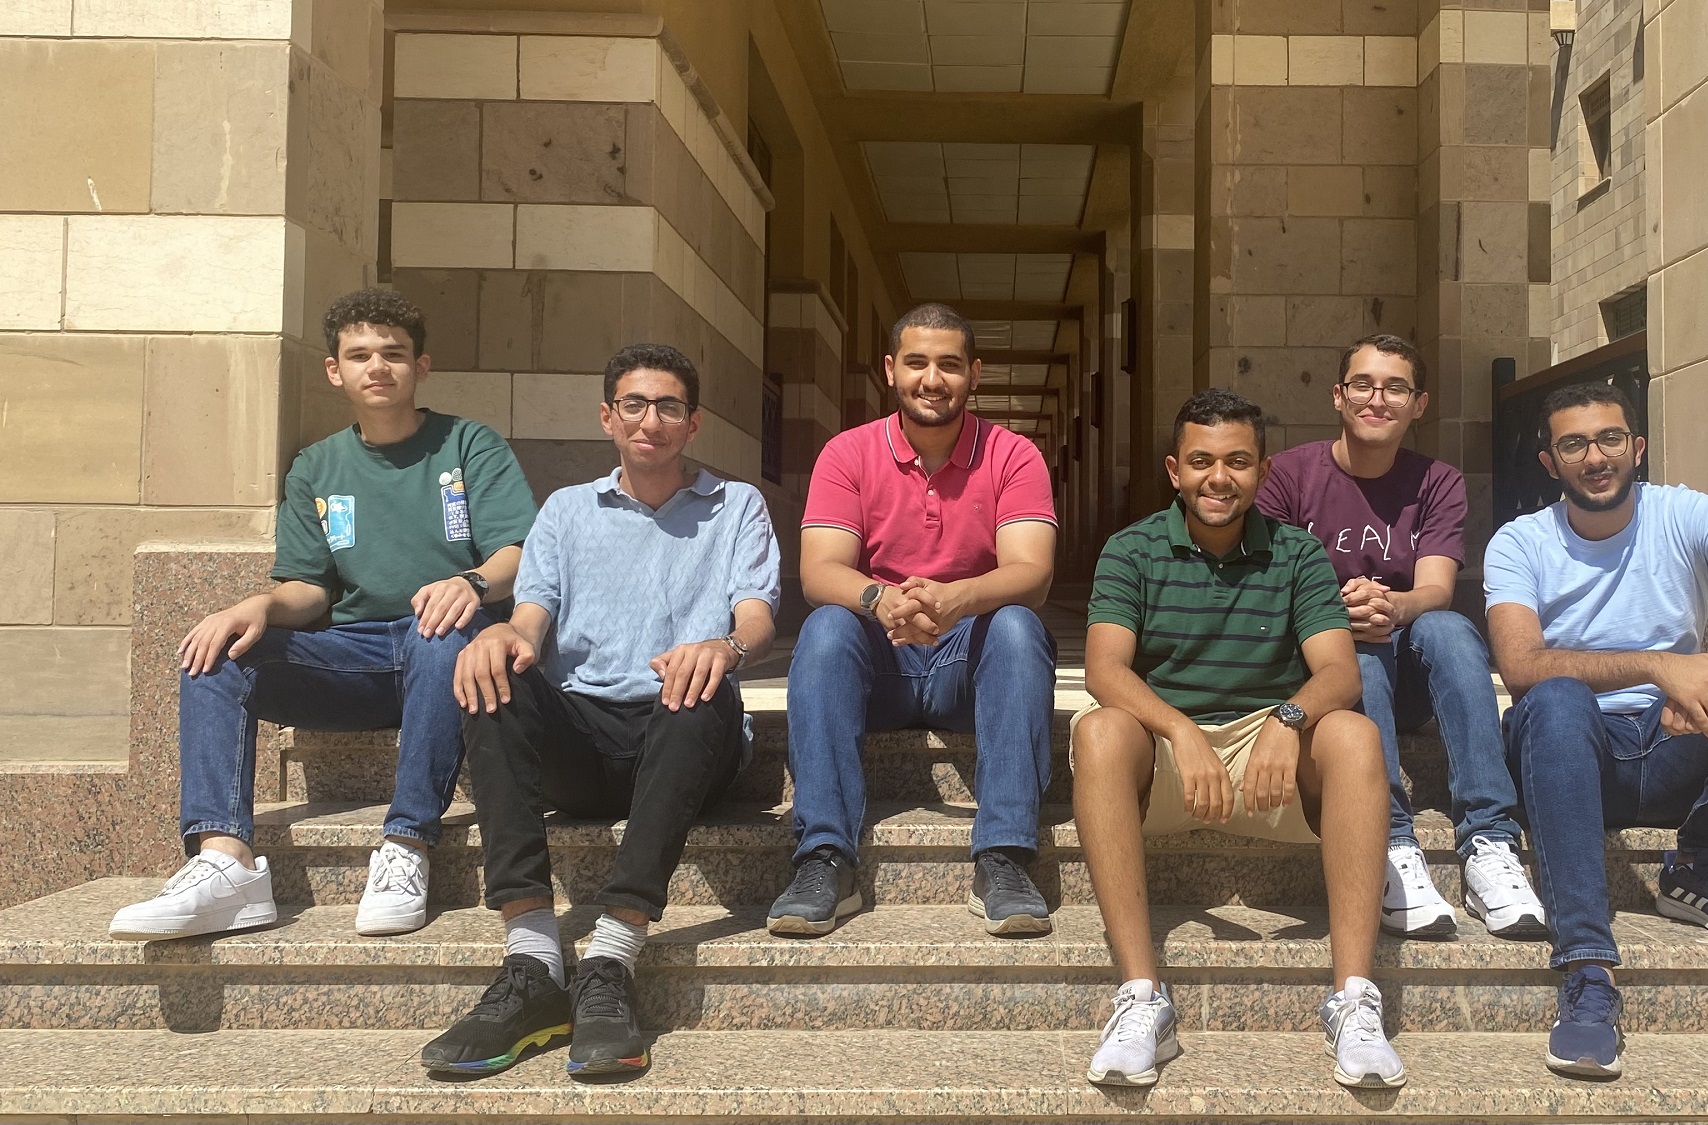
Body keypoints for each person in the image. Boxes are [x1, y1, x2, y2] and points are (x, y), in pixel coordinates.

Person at [108, 290, 536, 942]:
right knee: (220, 652)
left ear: (421, 365)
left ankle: (406, 845)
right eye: (359, 355)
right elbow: (309, 588)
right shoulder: (317, 466)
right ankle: (224, 863)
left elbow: (520, 549)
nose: (378, 367)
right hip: (355, 655)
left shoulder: (469, 444)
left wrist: (471, 583)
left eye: (393, 353)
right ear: (335, 370)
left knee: (441, 631)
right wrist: (259, 604)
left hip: (451, 650)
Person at [421, 344, 780, 1078]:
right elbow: (529, 624)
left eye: (670, 406)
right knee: (497, 677)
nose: (651, 419)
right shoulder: (565, 511)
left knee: (700, 684)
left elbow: (757, 617)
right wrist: (498, 635)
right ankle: (530, 965)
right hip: (581, 737)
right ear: (608, 417)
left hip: (687, 731)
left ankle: (612, 958)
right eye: (635, 404)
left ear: (693, 422)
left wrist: (724, 646)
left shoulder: (735, 504)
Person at [1484, 381, 1708, 1079]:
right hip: (1572, 758)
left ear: (1637, 447)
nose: (1596, 456)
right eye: (1575, 443)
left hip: (1679, 737)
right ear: (1549, 460)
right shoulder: (1520, 541)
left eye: (1611, 438)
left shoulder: (1682, 512)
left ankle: (1701, 864)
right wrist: (1662, 665)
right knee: (1556, 697)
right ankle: (1588, 971)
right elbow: (1521, 664)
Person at [1071, 389, 1405, 1090]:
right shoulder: (1131, 549)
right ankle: (1141, 998)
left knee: (1352, 734)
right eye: (1200, 461)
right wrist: (1179, 730)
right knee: (1100, 730)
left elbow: (1340, 673)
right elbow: (1104, 668)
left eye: (1236, 461)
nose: (1217, 477)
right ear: (1173, 468)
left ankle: (1352, 998)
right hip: (1169, 754)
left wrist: (1289, 721)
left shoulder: (1297, 554)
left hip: (1268, 757)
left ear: (1262, 469)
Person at [771, 302, 1058, 938]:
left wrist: (958, 597)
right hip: (882, 664)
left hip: (967, 665)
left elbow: (1031, 571)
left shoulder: (1013, 456)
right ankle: (825, 857)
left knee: (1016, 626)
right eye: (918, 362)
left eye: (950, 365)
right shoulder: (848, 453)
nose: (933, 378)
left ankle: (1004, 856)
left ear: (974, 374)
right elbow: (820, 571)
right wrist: (880, 600)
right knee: (825, 628)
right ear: (890, 370)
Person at [1258, 334, 1546, 940]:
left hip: (1410, 663)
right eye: (1362, 384)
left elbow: (1435, 590)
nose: (1377, 399)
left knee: (1451, 627)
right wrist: (1337, 612)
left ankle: (1489, 842)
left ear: (1419, 404)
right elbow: (1269, 588)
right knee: (1353, 654)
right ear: (1339, 396)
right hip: (1328, 669)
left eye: (1395, 388)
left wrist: (1391, 604)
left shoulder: (1437, 481)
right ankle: (1390, 843)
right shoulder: (1286, 476)